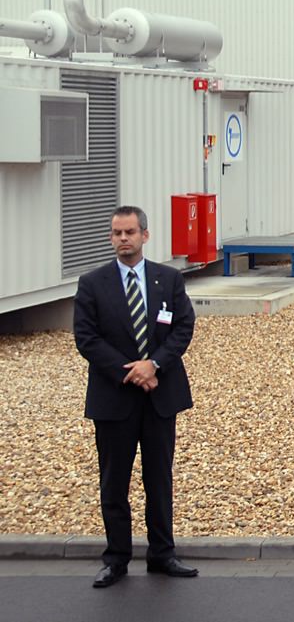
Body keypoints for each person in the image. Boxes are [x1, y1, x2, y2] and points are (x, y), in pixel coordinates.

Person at [73, 206, 198, 588]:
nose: (123, 239)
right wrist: (131, 371)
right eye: (117, 233)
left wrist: (154, 365)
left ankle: (162, 554)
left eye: (129, 232)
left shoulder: (168, 279)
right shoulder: (92, 283)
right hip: (114, 398)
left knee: (158, 479)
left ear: (145, 235)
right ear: (111, 237)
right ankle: (116, 558)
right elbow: (86, 338)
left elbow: (183, 327)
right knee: (114, 482)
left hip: (160, 397)